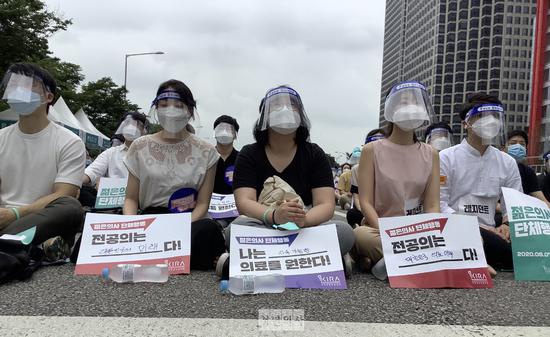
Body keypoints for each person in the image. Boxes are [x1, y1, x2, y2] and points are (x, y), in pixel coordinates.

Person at [217, 85, 355, 278]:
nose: (284, 110)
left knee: (345, 232)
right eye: (276, 106)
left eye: (291, 106)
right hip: (264, 222)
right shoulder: (249, 154)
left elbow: (325, 204)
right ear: (264, 116)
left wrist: (304, 220)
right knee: (235, 231)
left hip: (305, 224)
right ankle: (322, 257)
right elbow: (244, 202)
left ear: (301, 115)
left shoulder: (314, 154)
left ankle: (254, 259)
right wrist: (274, 215)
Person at [123, 79, 226, 270]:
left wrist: (180, 228)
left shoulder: (207, 151)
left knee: (207, 230)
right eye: (163, 105)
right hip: (150, 221)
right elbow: (130, 198)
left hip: (189, 221)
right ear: (156, 108)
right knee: (95, 231)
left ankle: (155, 255)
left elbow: (203, 204)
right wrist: (133, 226)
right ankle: (173, 256)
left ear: (190, 111)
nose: (170, 110)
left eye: (178, 106)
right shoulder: (140, 146)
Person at [354, 81, 440, 279]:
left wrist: (429, 233)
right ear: (390, 109)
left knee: (467, 234)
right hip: (381, 229)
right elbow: (366, 202)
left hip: (419, 232)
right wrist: (385, 231)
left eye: (416, 103)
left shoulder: (431, 153)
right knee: (360, 235)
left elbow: (433, 205)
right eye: (403, 102)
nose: (411, 108)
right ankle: (421, 261)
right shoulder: (372, 150)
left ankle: (387, 261)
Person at [0, 63, 85, 261]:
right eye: (14, 85)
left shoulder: (69, 141)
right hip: (3, 217)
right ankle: (28, 246)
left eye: (28, 85)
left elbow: (64, 194)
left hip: (43, 217)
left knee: (71, 207)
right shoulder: (1, 137)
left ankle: (14, 244)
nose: (19, 90)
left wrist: (15, 213)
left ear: (48, 97)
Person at [440, 93, 522, 272]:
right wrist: (471, 227)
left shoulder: (507, 162)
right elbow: (439, 204)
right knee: (503, 251)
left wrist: (507, 226)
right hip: (454, 227)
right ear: (465, 124)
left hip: (492, 230)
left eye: (494, 117)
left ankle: (484, 257)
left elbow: (514, 205)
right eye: (481, 116)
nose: (489, 121)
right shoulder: (446, 158)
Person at [83, 112, 148, 187]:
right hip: (112, 196)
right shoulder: (111, 153)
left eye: (137, 124)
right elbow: (92, 171)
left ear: (144, 130)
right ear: (122, 127)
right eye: (127, 123)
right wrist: (76, 181)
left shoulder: (151, 154)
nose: (131, 127)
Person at [346, 129, 386, 228]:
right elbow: (356, 196)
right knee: (352, 214)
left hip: (388, 212)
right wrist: (365, 213)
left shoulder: (393, 167)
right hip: (365, 209)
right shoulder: (357, 169)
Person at [505, 130, 550, 207]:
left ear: (526, 148)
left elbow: (538, 195)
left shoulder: (528, 171)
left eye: (522, 144)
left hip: (521, 212)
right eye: (513, 143)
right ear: (504, 147)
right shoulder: (495, 167)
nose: (518, 147)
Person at [212, 115, 240, 227]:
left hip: (237, 212)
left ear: (235, 135)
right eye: (220, 129)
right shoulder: (206, 158)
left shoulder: (242, 159)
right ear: (214, 132)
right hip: (211, 211)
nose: (224, 132)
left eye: (228, 129)